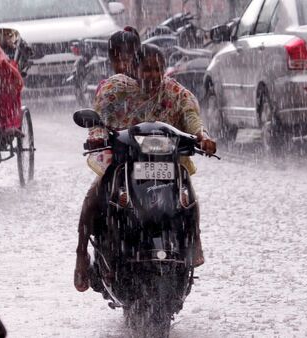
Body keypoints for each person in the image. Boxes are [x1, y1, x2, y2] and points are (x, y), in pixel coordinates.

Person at [74, 43, 217, 292]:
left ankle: (194, 240)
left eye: (157, 69)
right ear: (134, 69)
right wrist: (97, 135)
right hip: (124, 161)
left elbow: (192, 118)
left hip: (167, 163)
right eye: (146, 69)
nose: (151, 75)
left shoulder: (176, 93)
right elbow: (100, 117)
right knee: (94, 197)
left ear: (164, 70)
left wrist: (202, 136)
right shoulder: (114, 90)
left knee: (188, 198)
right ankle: (81, 254)